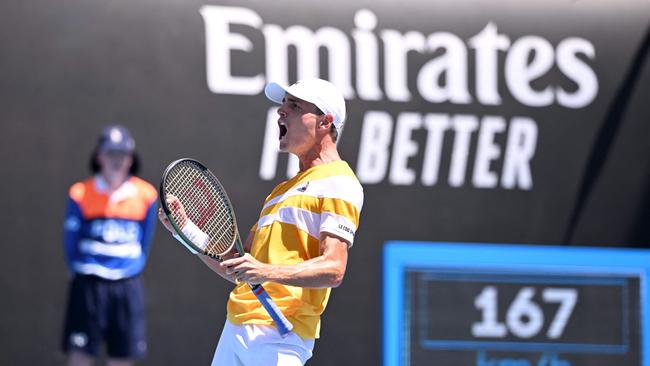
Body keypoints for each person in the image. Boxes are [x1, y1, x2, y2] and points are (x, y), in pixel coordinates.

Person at [158, 78, 364, 365]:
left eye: (294, 105)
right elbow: (239, 266)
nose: (281, 111)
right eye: (282, 104)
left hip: (280, 338)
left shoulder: (340, 182)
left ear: (324, 122)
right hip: (235, 328)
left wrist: (265, 271)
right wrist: (186, 230)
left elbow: (334, 269)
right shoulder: (280, 192)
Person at [61, 125, 158, 366]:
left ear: (131, 159)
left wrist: (129, 269)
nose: (117, 161)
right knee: (80, 355)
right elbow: (70, 244)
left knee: (122, 357)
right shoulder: (81, 193)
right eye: (111, 154)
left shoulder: (146, 195)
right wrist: (84, 270)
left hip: (127, 287)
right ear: (99, 157)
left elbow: (145, 242)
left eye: (123, 155)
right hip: (88, 287)